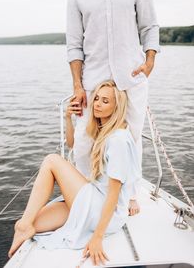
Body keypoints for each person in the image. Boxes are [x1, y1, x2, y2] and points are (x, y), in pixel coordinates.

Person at [66, 0, 160, 215]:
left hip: (131, 79)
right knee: (83, 141)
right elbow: (74, 46)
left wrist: (149, 62)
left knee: (131, 137)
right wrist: (78, 87)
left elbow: (150, 26)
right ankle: (85, 194)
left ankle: (129, 195)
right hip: (94, 82)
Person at [8, 80, 141, 266]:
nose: (97, 104)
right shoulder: (106, 132)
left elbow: (114, 193)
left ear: (116, 107)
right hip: (92, 202)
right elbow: (72, 144)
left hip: (101, 210)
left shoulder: (118, 140)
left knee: (51, 160)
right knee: (32, 224)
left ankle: (23, 227)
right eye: (96, 99)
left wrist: (97, 237)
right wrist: (67, 119)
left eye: (105, 101)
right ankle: (23, 226)